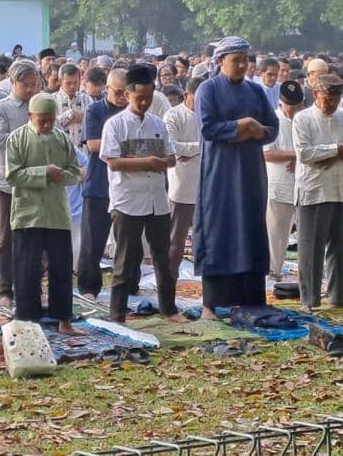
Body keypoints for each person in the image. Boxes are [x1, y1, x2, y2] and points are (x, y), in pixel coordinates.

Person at [192, 39, 280, 315]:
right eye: (235, 59)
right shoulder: (208, 89)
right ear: (220, 61)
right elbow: (207, 128)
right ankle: (213, 302)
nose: (242, 65)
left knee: (251, 230)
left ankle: (251, 299)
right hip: (220, 174)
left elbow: (272, 127)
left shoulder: (255, 91)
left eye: (245, 59)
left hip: (251, 172)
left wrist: (257, 130)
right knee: (220, 231)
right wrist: (241, 126)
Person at [101, 64, 181, 324]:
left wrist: (162, 162)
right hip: (127, 200)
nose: (144, 102)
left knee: (163, 257)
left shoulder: (158, 123)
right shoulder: (115, 125)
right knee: (126, 258)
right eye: (139, 98)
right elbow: (112, 161)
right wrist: (148, 162)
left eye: (148, 97)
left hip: (157, 199)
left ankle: (169, 309)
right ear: (127, 95)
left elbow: (171, 157)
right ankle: (117, 314)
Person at [5, 94, 81, 334]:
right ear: (30, 117)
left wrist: (61, 175)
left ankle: (64, 320)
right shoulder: (17, 139)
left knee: (61, 269)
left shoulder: (62, 139)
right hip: (28, 214)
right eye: (42, 121)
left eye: (51, 120)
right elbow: (13, 175)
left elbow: (74, 172)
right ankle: (29, 323)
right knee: (27, 270)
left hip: (57, 214)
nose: (47, 125)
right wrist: (44, 172)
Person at [293, 74, 343, 309]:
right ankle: (309, 299)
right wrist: (336, 150)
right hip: (315, 191)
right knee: (311, 249)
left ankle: (337, 297)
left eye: (335, 99)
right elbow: (305, 153)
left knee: (340, 247)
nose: (331, 104)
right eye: (327, 99)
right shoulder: (302, 119)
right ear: (316, 95)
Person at [0, 59, 42, 307]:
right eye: (25, 85)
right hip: (10, 183)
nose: (30, 90)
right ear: (12, 82)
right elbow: (0, 142)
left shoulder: (42, 105)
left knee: (35, 236)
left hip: (38, 182)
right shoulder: (1, 108)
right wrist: (32, 133)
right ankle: (6, 290)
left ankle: (30, 286)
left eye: (34, 84)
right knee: (9, 237)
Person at [77, 68, 128, 298]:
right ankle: (89, 288)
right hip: (99, 184)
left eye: (127, 92)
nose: (123, 97)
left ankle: (128, 285)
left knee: (128, 242)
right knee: (92, 243)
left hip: (127, 186)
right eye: (118, 92)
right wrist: (127, 147)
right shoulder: (95, 110)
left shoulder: (133, 110)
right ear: (107, 89)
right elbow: (94, 145)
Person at [163, 75, 202, 279]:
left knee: (206, 240)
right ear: (186, 95)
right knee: (176, 240)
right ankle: (170, 280)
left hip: (205, 187)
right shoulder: (173, 115)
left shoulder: (209, 114)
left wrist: (190, 152)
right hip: (182, 187)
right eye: (197, 98)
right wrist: (202, 148)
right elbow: (172, 147)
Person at [264, 80, 303, 280]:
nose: (293, 109)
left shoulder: (304, 120)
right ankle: (272, 271)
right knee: (276, 233)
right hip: (277, 184)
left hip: (302, 184)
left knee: (296, 233)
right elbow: (267, 153)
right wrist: (296, 155)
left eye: (296, 106)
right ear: (281, 102)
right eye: (289, 105)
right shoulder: (273, 120)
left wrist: (300, 157)